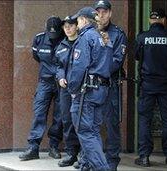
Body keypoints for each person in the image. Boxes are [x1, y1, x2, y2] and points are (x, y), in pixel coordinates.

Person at [67, 6, 112, 171]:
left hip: (87, 92)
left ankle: (101, 168)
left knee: (85, 132)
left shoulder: (85, 38)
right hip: (100, 90)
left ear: (84, 20)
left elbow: (79, 68)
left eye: (77, 20)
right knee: (92, 132)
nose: (76, 25)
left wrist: (72, 89)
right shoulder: (102, 37)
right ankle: (87, 165)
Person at [134, 8, 167, 167]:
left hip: (147, 85)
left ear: (150, 20)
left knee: (145, 120)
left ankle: (144, 156)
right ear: (164, 20)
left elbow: (137, 56)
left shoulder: (142, 37)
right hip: (166, 85)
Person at [19, 16, 64, 161]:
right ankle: (33, 147)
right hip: (44, 82)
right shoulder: (39, 39)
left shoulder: (65, 39)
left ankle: (54, 146)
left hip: (61, 83)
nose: (53, 37)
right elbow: (36, 56)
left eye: (55, 34)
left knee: (59, 116)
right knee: (39, 114)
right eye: (51, 34)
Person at [94, 0, 127, 170]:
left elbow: (116, 62)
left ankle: (112, 160)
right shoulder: (90, 33)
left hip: (109, 85)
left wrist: (96, 68)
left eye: (104, 12)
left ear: (110, 13)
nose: (101, 15)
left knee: (111, 124)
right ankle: (90, 159)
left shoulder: (118, 34)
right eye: (98, 12)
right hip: (91, 86)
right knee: (90, 123)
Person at [55, 16, 80, 167]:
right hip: (65, 89)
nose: (68, 28)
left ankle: (84, 152)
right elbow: (58, 66)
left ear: (77, 26)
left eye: (71, 25)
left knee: (82, 121)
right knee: (67, 120)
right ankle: (71, 153)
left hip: (80, 88)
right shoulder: (61, 46)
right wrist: (60, 77)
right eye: (65, 26)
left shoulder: (83, 43)